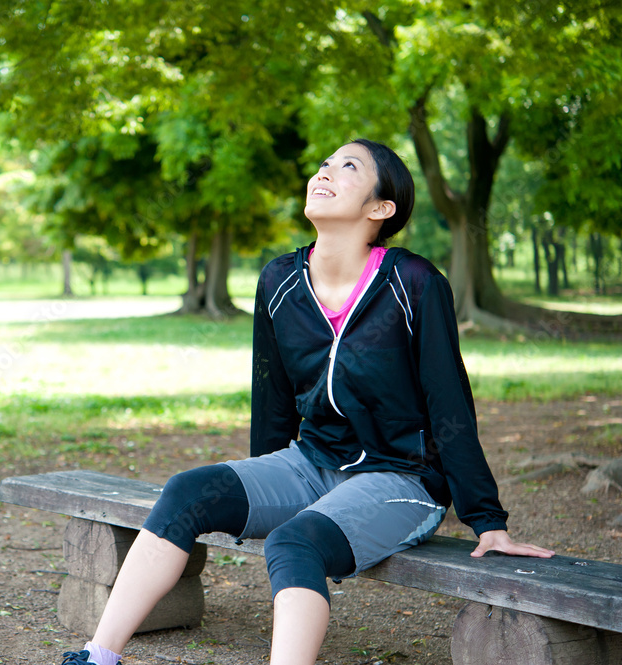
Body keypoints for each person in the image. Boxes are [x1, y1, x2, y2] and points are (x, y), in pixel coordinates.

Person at [58, 139, 554, 665]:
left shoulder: (415, 284)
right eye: (323, 164)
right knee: (187, 491)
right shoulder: (279, 280)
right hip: (312, 462)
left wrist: (487, 520)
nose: (324, 173)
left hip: (405, 479)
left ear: (379, 209)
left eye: (348, 167)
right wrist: (253, 491)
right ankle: (98, 656)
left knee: (294, 542)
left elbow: (449, 404)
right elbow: (271, 396)